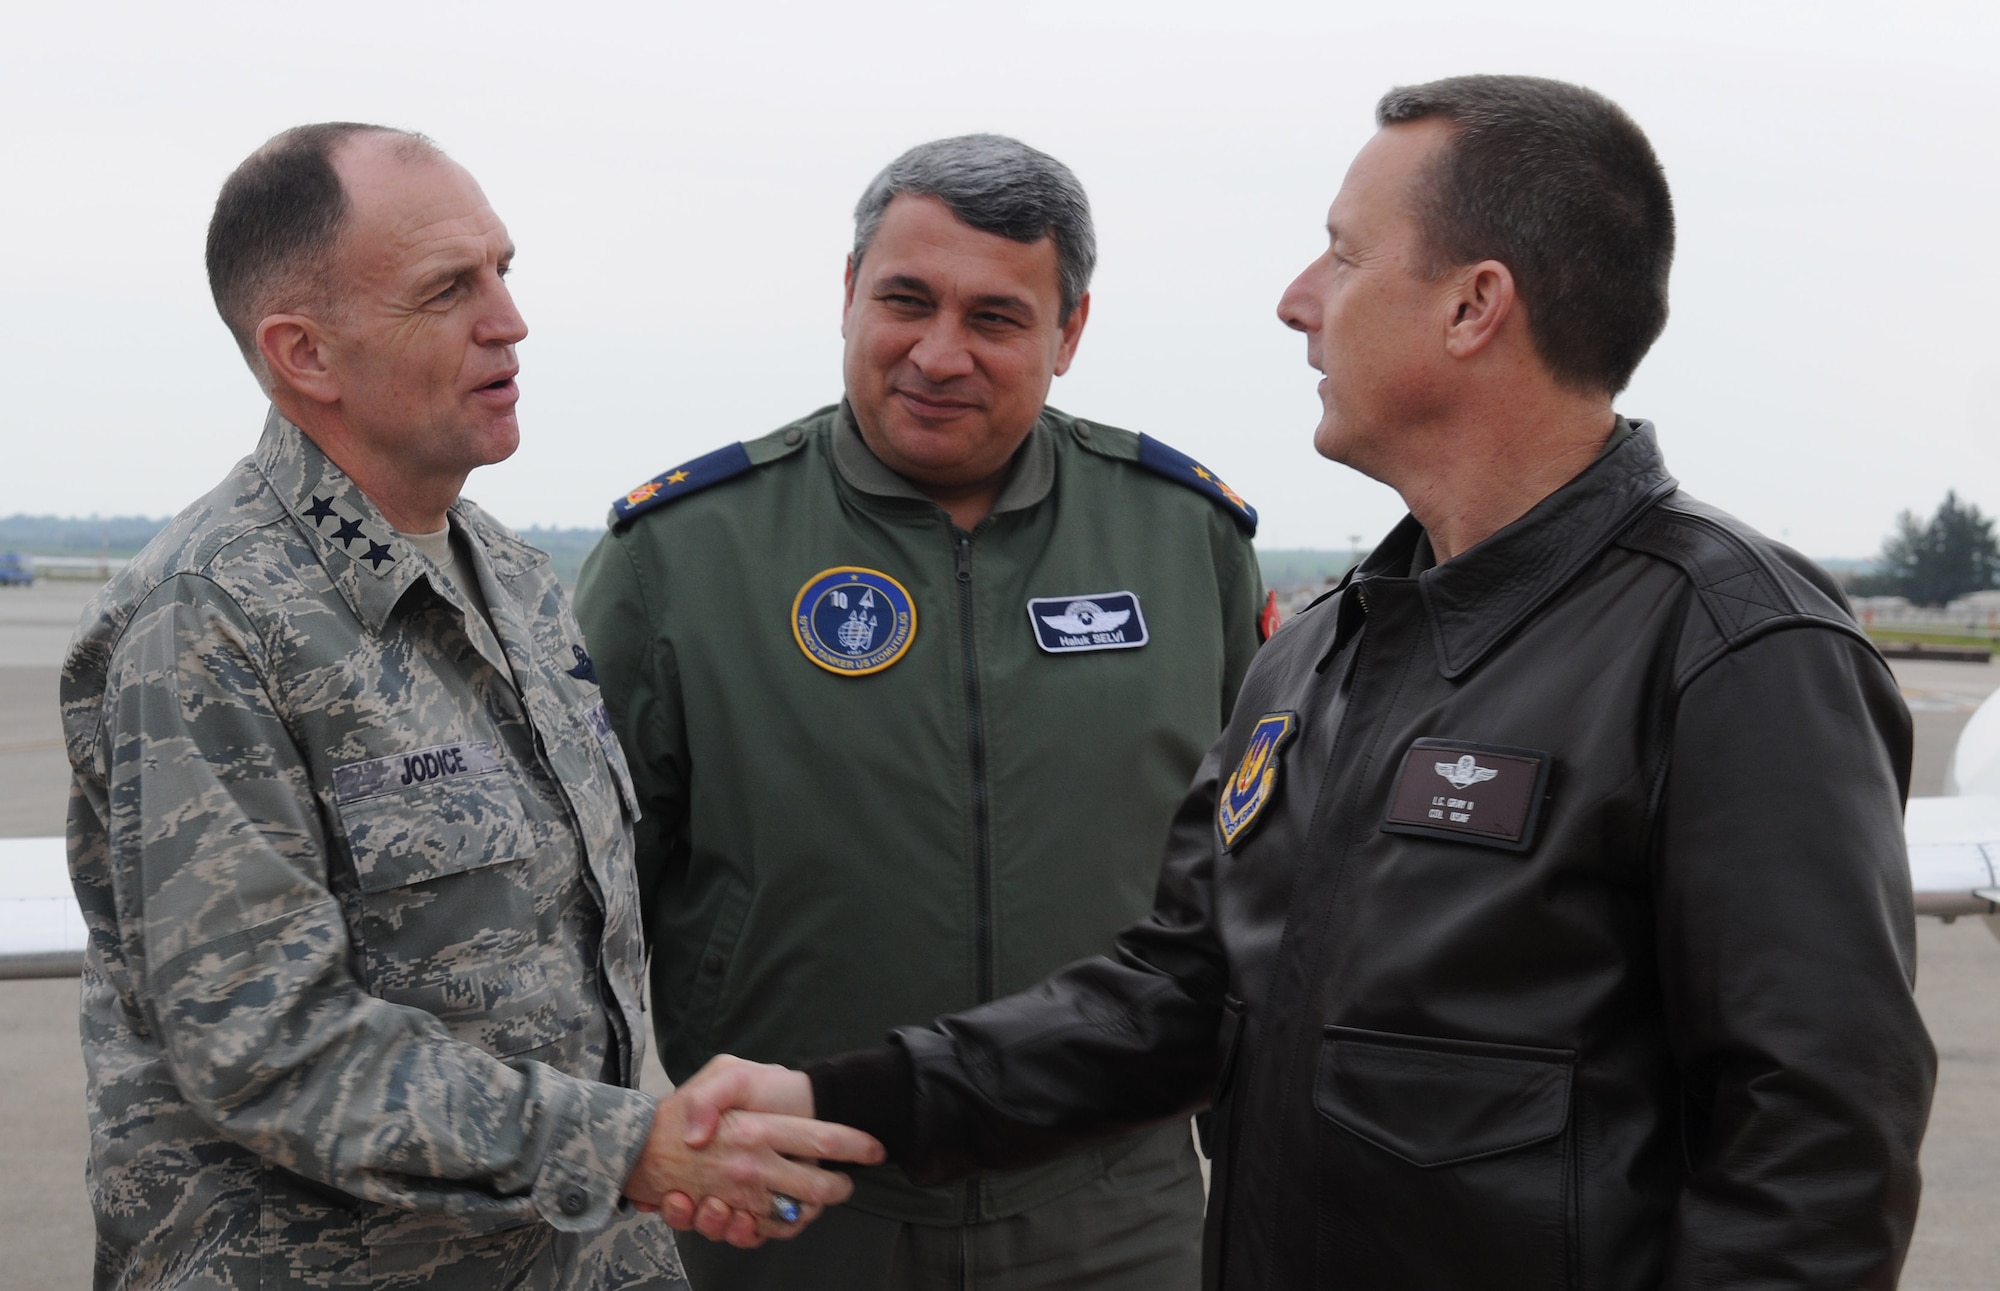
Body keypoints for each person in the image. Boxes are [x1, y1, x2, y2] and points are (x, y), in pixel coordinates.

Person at [670, 77, 1938, 1288]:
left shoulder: (1730, 650)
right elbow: (1180, 996)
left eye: (1342, 254)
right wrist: (844, 1098)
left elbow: (1811, 1149)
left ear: (1472, 306)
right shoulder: (1324, 647)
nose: (1295, 300)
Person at [60, 122, 879, 1291]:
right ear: (305, 353)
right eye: (448, 289)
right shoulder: (207, 619)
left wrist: (643, 1168)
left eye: (502, 269)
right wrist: (629, 1149)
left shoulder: (514, 579)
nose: (509, 320)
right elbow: (266, 1042)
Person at [573, 134, 1266, 1289]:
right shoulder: (680, 555)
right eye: (904, 300)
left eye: (995, 318)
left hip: (1113, 1207)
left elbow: (1257, 880)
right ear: (847, 293)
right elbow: (573, 915)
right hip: (787, 1203)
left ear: (1068, 334)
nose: (938, 355)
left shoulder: (1183, 539)